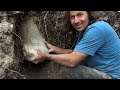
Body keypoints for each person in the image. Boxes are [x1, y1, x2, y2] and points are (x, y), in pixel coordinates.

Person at [30, 11, 120, 79]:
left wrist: (47, 56)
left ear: (88, 14)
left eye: (80, 15)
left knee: (67, 71)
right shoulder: (87, 30)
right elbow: (77, 53)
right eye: (72, 17)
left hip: (112, 76)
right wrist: (54, 49)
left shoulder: (97, 30)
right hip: (106, 72)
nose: (76, 21)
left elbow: (72, 61)